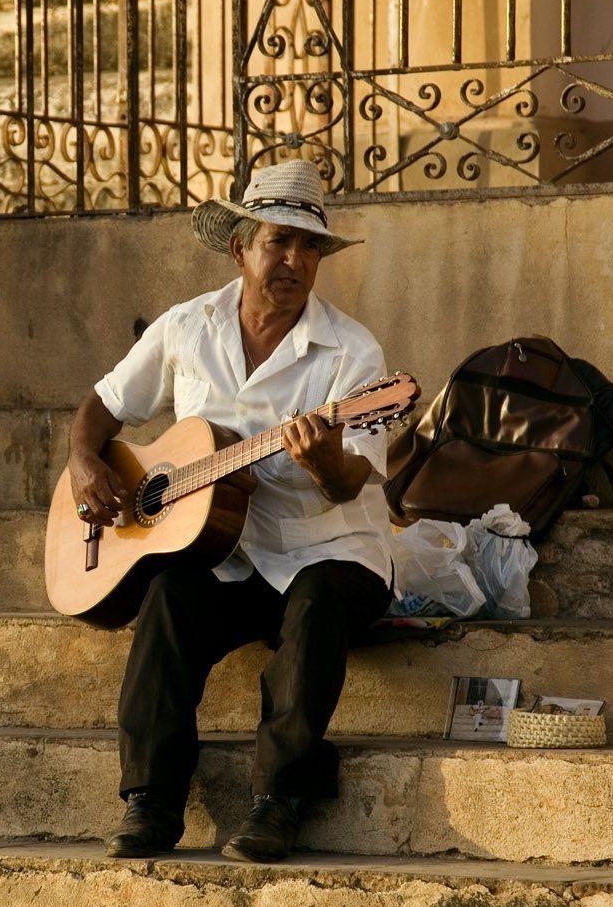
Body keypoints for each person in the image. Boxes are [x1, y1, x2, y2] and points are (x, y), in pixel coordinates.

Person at [66, 159, 394, 863]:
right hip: (226, 556)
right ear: (237, 247)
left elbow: (349, 484)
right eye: (278, 241)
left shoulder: (353, 356)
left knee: (316, 601)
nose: (294, 260)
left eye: (309, 247)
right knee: (166, 598)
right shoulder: (187, 327)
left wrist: (323, 459)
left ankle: (280, 800)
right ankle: (150, 803)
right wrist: (86, 462)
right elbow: (103, 406)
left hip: (329, 553)